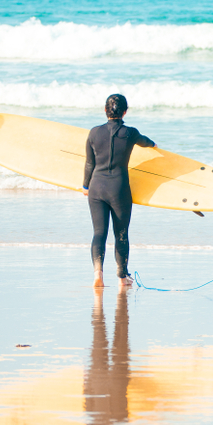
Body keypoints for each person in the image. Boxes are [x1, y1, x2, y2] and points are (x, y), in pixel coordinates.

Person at [82, 94, 156, 289]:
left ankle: (98, 274)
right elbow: (145, 141)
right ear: (125, 111)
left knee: (99, 232)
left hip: (96, 188)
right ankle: (122, 278)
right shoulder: (130, 133)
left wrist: (85, 186)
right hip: (119, 189)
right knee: (121, 234)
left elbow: (89, 163)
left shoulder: (94, 133)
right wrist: (154, 145)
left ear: (105, 110)